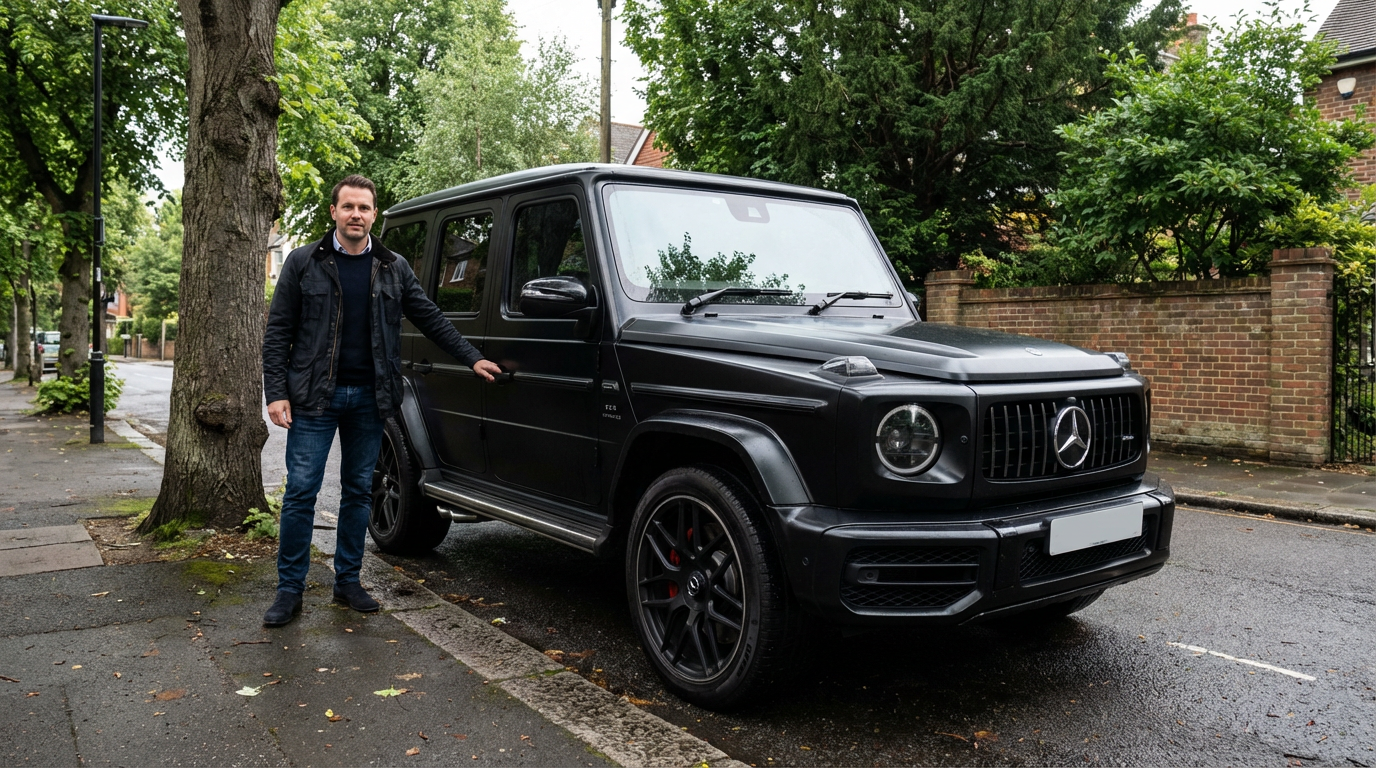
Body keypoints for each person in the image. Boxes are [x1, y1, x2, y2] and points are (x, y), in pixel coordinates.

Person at [261, 174, 501, 627]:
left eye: (364, 208)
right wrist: (276, 392)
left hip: (371, 399)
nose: (356, 215)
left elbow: (429, 316)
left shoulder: (393, 267)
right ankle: (289, 590)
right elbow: (278, 334)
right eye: (348, 206)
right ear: (333, 212)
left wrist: (473, 358)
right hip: (314, 398)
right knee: (300, 494)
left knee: (357, 492)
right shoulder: (302, 262)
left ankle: (347, 580)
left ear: (374, 214)